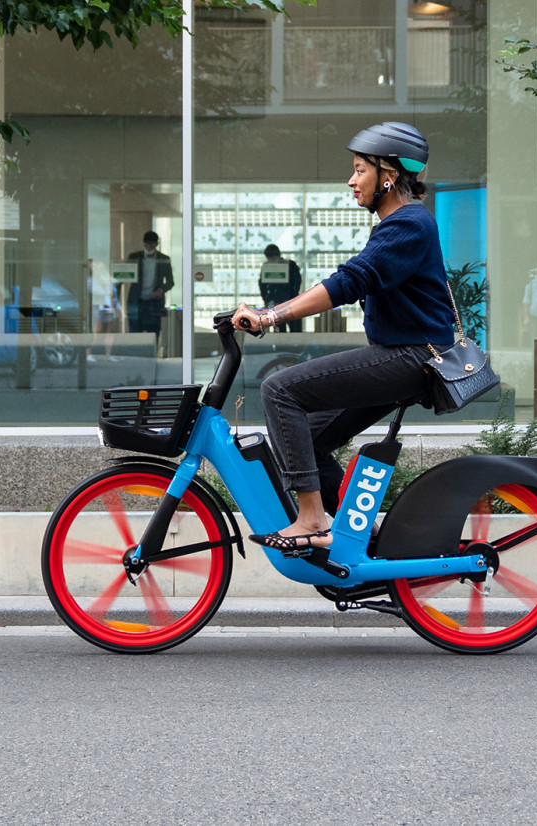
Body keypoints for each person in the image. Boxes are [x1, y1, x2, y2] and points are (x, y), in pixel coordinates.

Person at [231, 122, 456, 557]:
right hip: (401, 356)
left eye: (359, 170)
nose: (351, 181)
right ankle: (364, 537)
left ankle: (313, 520)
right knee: (303, 439)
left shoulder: (409, 223)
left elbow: (353, 280)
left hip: (411, 358)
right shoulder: (403, 224)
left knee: (280, 390)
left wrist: (271, 315)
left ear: (388, 174)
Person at [126, 230, 175, 343]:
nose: (149, 246)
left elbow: (170, 282)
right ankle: (136, 357)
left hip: (155, 302)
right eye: (147, 244)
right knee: (134, 332)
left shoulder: (164, 259)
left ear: (156, 244)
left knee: (154, 333)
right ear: (144, 244)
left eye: (152, 244)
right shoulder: (134, 257)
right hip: (136, 301)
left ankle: (152, 356)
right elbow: (123, 277)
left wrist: (160, 290)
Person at [258, 244, 303, 332]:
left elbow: (262, 285)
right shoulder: (290, 265)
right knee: (284, 330)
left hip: (282, 303)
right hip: (288, 303)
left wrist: (267, 298)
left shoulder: (268, 267)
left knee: (290, 330)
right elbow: (297, 281)